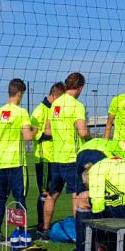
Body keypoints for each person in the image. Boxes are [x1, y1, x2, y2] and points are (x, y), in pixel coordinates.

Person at [42, 72, 91, 235]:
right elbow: (83, 132)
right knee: (77, 195)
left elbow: (47, 130)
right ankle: (79, 234)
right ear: (80, 88)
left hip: (56, 158)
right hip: (72, 158)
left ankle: (45, 230)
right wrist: (90, 138)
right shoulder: (77, 106)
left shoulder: (55, 104)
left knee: (51, 196)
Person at [0, 79, 34, 241]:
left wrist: (4, 140)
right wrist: (37, 130)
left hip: (2, 162)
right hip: (17, 163)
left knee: (1, 197)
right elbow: (28, 137)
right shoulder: (21, 113)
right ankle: (21, 232)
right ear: (20, 94)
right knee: (20, 198)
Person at [66, 137, 113, 251]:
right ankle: (100, 242)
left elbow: (76, 192)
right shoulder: (112, 148)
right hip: (99, 156)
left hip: (85, 155)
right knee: (100, 198)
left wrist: (76, 213)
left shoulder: (84, 153)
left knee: (84, 200)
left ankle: (82, 250)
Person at [30, 81, 64, 234]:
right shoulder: (39, 110)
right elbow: (34, 134)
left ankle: (45, 224)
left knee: (53, 192)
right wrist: (53, 133)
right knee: (44, 193)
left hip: (55, 158)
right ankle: (40, 225)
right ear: (54, 95)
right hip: (43, 158)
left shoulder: (55, 109)